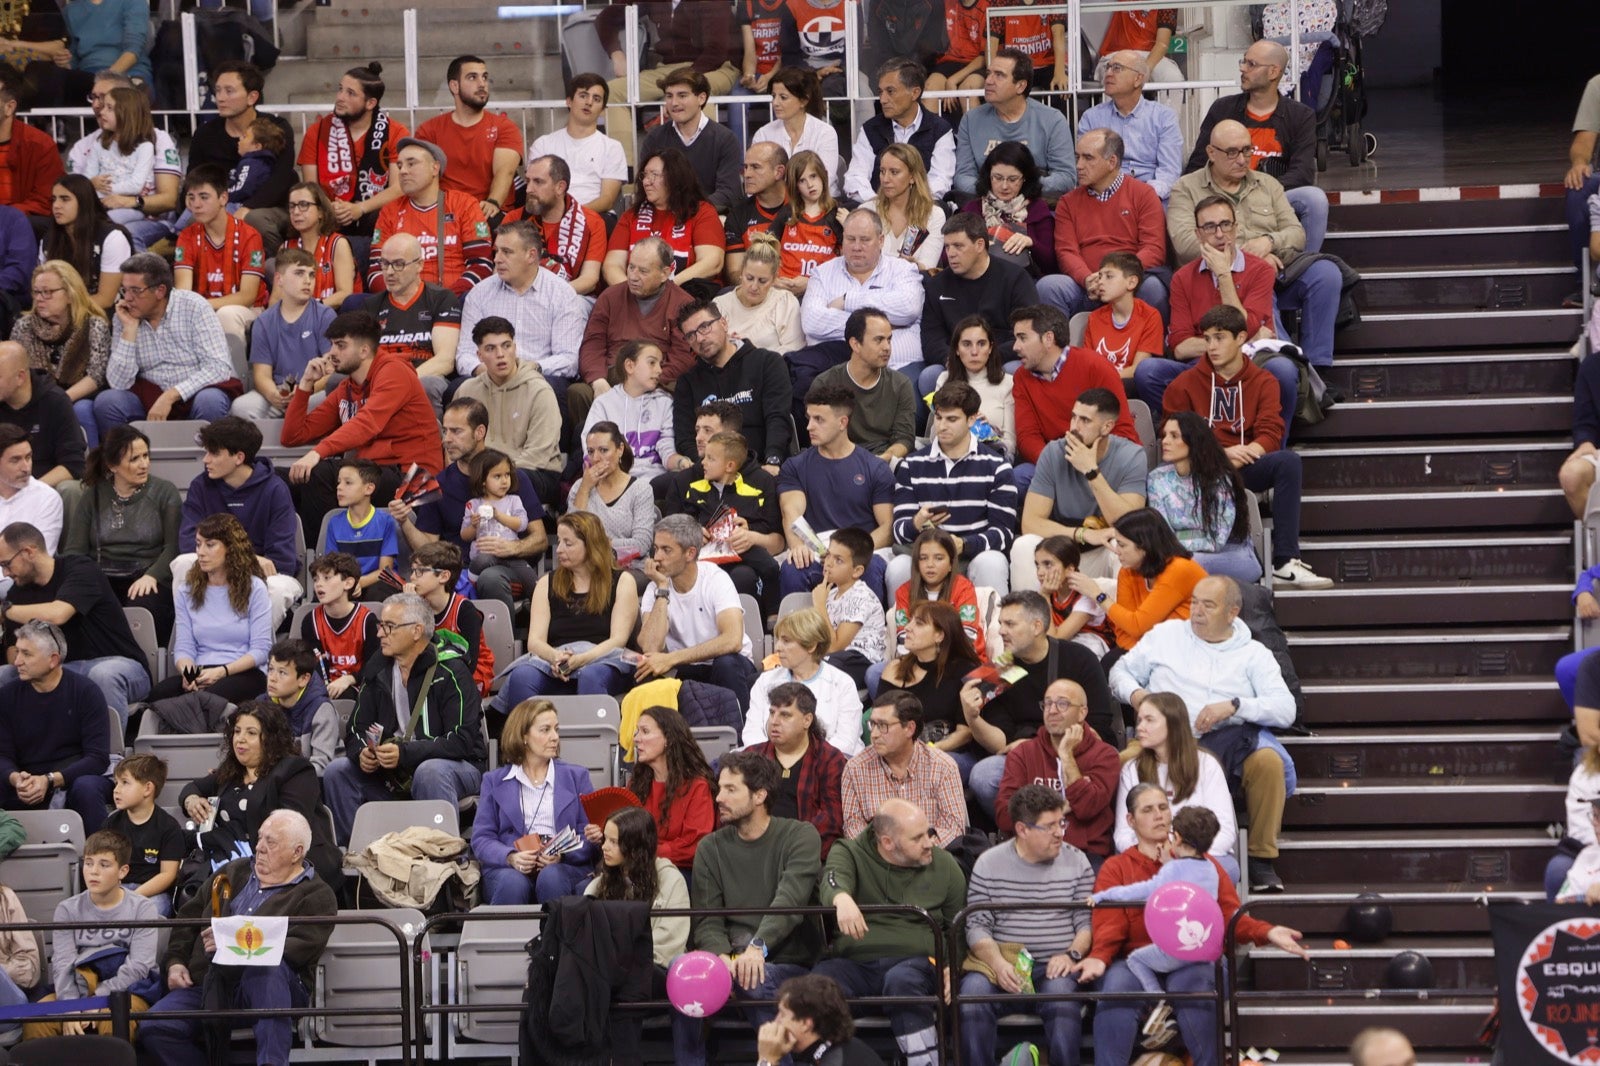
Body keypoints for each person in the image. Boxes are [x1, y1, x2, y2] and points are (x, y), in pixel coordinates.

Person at [1088, 783, 1309, 1066]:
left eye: (1163, 807)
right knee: (1117, 987)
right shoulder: (1116, 867)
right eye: (1148, 810)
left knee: (1195, 984)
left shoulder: (1204, 865)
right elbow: (1110, 927)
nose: (1159, 815)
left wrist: (1267, 931)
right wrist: (1099, 957)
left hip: (1194, 958)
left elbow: (1229, 917)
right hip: (1137, 957)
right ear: (1131, 821)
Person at [1109, 575, 1297, 890]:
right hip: (1161, 738)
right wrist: (1137, 696)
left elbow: (1285, 709)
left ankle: (1261, 858)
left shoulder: (1253, 653)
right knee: (1120, 761)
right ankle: (1122, 848)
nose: (1196, 611)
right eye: (1194, 601)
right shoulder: (1167, 635)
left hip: (1226, 740)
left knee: (1268, 762)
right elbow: (1120, 671)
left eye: (1208, 605)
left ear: (1232, 612)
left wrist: (1236, 706)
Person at [138, 810, 338, 1066]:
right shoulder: (232, 871)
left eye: (271, 842)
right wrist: (175, 961)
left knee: (268, 967)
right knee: (156, 1028)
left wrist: (233, 942)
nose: (259, 847)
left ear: (296, 853)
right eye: (259, 838)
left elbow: (298, 949)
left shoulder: (316, 894)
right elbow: (187, 919)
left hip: (273, 987)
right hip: (209, 981)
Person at [1163, 305, 1332, 589]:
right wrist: (1218, 455)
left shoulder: (1264, 381)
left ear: (1241, 338)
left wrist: (1243, 455)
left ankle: (1285, 562)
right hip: (1200, 471)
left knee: (1288, 462)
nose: (1212, 346)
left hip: (1244, 465)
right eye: (1207, 339)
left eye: (1220, 338)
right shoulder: (1184, 385)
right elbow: (1173, 437)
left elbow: (1271, 433)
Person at [677, 750, 823, 1065]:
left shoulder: (800, 836)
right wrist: (722, 959)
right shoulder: (710, 847)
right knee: (684, 973)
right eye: (720, 788)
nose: (718, 797)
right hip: (733, 959)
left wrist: (757, 947)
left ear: (759, 795)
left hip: (789, 961)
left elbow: (790, 901)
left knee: (751, 976)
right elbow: (707, 920)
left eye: (731, 789)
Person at [1169, 120, 1341, 371]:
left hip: (1276, 264)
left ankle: (1318, 369)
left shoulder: (1267, 184)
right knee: (1260, 279)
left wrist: (1268, 242)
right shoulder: (1186, 187)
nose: (1242, 159)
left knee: (1327, 274)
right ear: (1211, 153)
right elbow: (1185, 242)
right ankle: (1286, 369)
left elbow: (1296, 233)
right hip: (1226, 277)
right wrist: (1248, 257)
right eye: (1232, 152)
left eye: (1247, 151)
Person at [322, 591, 487, 844]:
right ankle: (355, 855)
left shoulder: (452, 671)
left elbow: (462, 741)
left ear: (416, 631)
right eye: (380, 626)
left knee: (430, 771)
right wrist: (361, 754)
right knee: (338, 770)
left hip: (456, 767)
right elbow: (356, 728)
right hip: (394, 773)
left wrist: (405, 752)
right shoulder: (378, 669)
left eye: (389, 627)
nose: (379, 634)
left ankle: (440, 857)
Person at [815, 796, 965, 1066]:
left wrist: (952, 966)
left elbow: (959, 927)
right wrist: (841, 899)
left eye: (928, 833)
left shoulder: (945, 865)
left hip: (918, 964)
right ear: (887, 843)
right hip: (856, 963)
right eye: (917, 838)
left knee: (902, 981)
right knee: (818, 988)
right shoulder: (849, 852)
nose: (929, 842)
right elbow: (833, 879)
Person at [961, 783, 1097, 1066]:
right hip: (1002, 963)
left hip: (1055, 966)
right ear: (1022, 829)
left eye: (1062, 822)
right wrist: (997, 964)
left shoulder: (1078, 861)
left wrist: (1071, 954)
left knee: (1062, 1002)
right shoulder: (988, 863)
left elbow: (1086, 923)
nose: (1060, 832)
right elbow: (977, 925)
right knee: (972, 996)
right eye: (1049, 826)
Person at [283, 309, 446, 537]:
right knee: (282, 481)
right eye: (331, 345)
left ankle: (321, 558)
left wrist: (317, 453)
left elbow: (368, 423)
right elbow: (292, 436)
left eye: (340, 345)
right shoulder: (347, 388)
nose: (331, 353)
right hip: (372, 472)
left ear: (364, 350)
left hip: (416, 479)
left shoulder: (394, 372)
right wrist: (306, 383)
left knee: (318, 473)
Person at [1137, 195, 1297, 423]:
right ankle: (1198, 437)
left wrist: (1223, 275)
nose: (1220, 234)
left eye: (1225, 225)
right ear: (1198, 234)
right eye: (1210, 227)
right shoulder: (1183, 277)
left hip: (1250, 365)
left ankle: (1269, 451)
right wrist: (1241, 343)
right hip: (1202, 368)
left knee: (1284, 370)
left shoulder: (1260, 269)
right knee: (1148, 372)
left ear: (1236, 228)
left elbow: (1247, 325)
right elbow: (1180, 347)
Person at [958, 590, 1115, 811]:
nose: (1001, 631)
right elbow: (1001, 744)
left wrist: (1036, 743)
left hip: (1076, 751)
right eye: (1001, 623)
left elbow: (1099, 727)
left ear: (1037, 627)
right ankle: (1027, 834)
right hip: (1025, 760)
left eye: (1010, 624)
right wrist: (972, 717)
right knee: (984, 775)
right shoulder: (1000, 669)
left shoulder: (1079, 658)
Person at [387, 397, 548, 609]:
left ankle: (498, 642)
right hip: (456, 571)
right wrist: (404, 521)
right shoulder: (439, 483)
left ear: (479, 432)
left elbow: (540, 538)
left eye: (456, 431)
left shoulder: (510, 477)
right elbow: (427, 547)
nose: (447, 439)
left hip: (506, 566)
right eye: (445, 431)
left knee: (489, 577)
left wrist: (511, 547)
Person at [455, 221, 587, 469]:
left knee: (556, 388)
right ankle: (468, 464)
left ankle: (551, 464)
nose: (497, 259)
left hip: (538, 375)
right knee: (458, 388)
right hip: (489, 375)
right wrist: (491, 371)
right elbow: (463, 355)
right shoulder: (480, 293)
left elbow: (569, 358)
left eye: (507, 252)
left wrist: (525, 370)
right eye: (496, 251)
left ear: (531, 255)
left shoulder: (561, 293)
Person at [0, 520, 150, 729]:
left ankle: (109, 757)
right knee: (5, 675)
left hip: (118, 664)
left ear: (28, 552)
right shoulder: (17, 593)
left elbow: (58, 614)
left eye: (6, 564)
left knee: (103, 675)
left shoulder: (80, 569)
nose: (5, 573)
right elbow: (13, 649)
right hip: (58, 670)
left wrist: (6, 611)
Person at [1186, 39, 1328, 253]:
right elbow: (1197, 164)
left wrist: (1260, 191)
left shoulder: (1300, 116)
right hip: (1222, 193)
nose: (1243, 68)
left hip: (1273, 195)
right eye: (1243, 62)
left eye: (1251, 64)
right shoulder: (1222, 109)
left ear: (1273, 72)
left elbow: (1302, 173)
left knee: (1315, 199)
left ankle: (1300, 267)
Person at [178, 701, 342, 885]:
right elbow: (193, 788)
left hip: (288, 867)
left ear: (271, 738)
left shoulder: (295, 770)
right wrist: (191, 800)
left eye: (251, 733)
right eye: (237, 731)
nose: (240, 739)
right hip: (236, 864)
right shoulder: (232, 770)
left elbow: (288, 827)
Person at [492, 512, 638, 718]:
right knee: (522, 676)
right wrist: (556, 657)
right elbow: (535, 641)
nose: (559, 549)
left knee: (591, 675)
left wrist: (582, 659)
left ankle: (590, 747)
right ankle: (522, 747)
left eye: (568, 543)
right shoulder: (546, 583)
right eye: (559, 541)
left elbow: (618, 640)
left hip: (605, 660)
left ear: (591, 545)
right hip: (559, 662)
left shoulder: (622, 581)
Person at [24, 828, 158, 1040]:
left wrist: (96, 1001)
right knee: (37, 1021)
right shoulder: (67, 909)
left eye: (104, 865)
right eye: (88, 863)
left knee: (113, 1021)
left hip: (126, 991)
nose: (93, 871)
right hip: (76, 990)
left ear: (122, 871)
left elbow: (139, 966)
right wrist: (71, 1006)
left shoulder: (142, 908)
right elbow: (62, 964)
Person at [174, 416, 304, 628]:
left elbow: (281, 561)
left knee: (278, 589)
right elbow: (189, 542)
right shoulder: (200, 486)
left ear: (239, 457)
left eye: (214, 453)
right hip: (214, 570)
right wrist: (247, 559)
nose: (205, 460)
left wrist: (246, 566)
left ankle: (252, 655)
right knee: (183, 563)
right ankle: (197, 642)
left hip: (261, 576)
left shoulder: (275, 489)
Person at [889, 380, 1016, 594]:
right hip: (924, 555)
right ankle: (904, 628)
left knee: (992, 562)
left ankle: (995, 628)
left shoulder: (997, 467)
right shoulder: (911, 465)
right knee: (898, 567)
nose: (942, 426)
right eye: (938, 418)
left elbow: (1003, 534)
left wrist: (964, 544)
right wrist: (916, 522)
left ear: (972, 419)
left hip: (973, 554)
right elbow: (899, 532)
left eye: (952, 419)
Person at [1015, 387, 1147, 587]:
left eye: (1085, 421)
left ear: (1107, 427)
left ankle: (1122, 616)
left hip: (1103, 553)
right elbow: (1030, 523)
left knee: (1122, 544)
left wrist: (1091, 471)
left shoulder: (1132, 456)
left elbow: (1129, 525)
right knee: (1023, 545)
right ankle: (1029, 614)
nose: (1074, 427)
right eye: (1073, 418)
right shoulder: (1053, 452)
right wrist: (1083, 534)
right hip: (1061, 552)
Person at [471, 698, 596, 904]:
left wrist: (562, 856)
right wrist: (510, 856)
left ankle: (557, 937)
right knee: (513, 882)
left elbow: (588, 835)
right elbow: (481, 838)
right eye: (545, 730)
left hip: (563, 866)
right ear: (524, 737)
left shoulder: (577, 777)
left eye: (556, 729)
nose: (555, 737)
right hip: (510, 868)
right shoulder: (493, 781)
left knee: (552, 876)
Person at [778, 384, 894, 598]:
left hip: (861, 552)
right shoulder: (795, 466)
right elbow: (791, 512)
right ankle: (795, 632)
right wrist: (796, 546)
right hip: (816, 552)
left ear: (843, 422)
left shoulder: (875, 468)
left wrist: (849, 555)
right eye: (809, 418)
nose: (809, 427)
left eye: (819, 419)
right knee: (792, 569)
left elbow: (887, 527)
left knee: (871, 568)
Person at [63, 424, 180, 637]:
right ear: (112, 465)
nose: (144, 464)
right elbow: (74, 551)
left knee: (144, 605)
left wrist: (152, 576)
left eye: (146, 456)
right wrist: (83, 581)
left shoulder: (165, 491)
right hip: (101, 575)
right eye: (135, 459)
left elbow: (173, 547)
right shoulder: (93, 495)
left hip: (147, 573)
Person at [1091, 804, 1223, 991]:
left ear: (1176, 838)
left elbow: (1143, 891)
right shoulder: (1211, 868)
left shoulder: (1173, 869)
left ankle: (1157, 996)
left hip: (1177, 948)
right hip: (1204, 947)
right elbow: (1187, 888)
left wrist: (1105, 894)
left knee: (1135, 959)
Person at [96, 252, 235, 429]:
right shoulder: (123, 316)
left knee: (210, 400)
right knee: (107, 402)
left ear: (160, 291)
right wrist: (129, 330)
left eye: (136, 291)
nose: (128, 298)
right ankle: (132, 456)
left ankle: (207, 456)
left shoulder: (194, 306)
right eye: (125, 290)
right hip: (149, 397)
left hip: (195, 393)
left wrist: (171, 395)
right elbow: (118, 383)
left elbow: (218, 367)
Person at [1039, 130, 1168, 320]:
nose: (1078, 165)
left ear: (1112, 162)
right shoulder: (1068, 202)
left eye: (1088, 158)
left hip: (1129, 285)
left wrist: (1118, 278)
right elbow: (1066, 251)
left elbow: (1154, 249)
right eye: (1078, 157)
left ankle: (1151, 349)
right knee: (1049, 286)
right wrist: (1088, 279)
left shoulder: (1144, 194)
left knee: (1153, 287)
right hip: (1086, 285)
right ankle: (1062, 350)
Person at [637, 514, 760, 708]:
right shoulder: (655, 587)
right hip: (685, 667)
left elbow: (733, 640)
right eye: (656, 549)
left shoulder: (715, 579)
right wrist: (662, 589)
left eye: (666, 550)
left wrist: (672, 658)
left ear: (690, 553)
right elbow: (650, 647)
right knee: (646, 671)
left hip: (730, 665)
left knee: (726, 664)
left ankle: (741, 736)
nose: (657, 557)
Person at [0, 619, 112, 831]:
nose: (17, 662)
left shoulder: (86, 692)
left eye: (27, 654)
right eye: (17, 652)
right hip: (26, 779)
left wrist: (50, 780)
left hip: (72, 776)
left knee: (87, 788)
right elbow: (2, 754)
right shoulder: (7, 696)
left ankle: (99, 856)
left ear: (53, 660)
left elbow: (97, 758)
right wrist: (16, 779)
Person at [794, 209, 924, 390]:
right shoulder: (822, 274)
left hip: (899, 367)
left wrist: (848, 301)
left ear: (880, 241)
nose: (856, 246)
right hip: (838, 370)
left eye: (864, 240)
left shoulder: (902, 270)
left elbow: (908, 308)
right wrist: (880, 326)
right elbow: (812, 322)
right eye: (850, 239)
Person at [1116, 691, 1240, 880]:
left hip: (1201, 855)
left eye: (1149, 720)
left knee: (1221, 870)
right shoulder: (1132, 769)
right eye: (1139, 720)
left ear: (1173, 723)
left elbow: (1225, 831)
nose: (1140, 727)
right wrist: (1153, 854)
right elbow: (1123, 834)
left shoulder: (1207, 764)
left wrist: (1185, 855)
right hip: (1148, 856)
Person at [150, 514, 272, 705]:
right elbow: (184, 647)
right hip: (201, 671)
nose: (201, 552)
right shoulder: (186, 591)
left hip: (243, 672)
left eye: (210, 545)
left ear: (230, 548)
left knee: (208, 698)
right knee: (158, 694)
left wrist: (221, 671)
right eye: (198, 544)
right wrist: (189, 674)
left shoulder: (254, 587)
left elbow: (261, 650)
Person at [993, 677, 1120, 860]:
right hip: (1032, 854)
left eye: (1062, 704)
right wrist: (1058, 808)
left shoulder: (1105, 755)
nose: (1052, 710)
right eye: (1047, 704)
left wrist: (1067, 755)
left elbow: (1087, 807)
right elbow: (1004, 816)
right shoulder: (1023, 754)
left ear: (1082, 712)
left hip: (1084, 855)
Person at [1010, 304, 1137, 485]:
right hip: (1056, 462)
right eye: (1015, 339)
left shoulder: (1095, 366)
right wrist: (1057, 465)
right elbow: (1027, 436)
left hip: (1100, 461)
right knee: (1019, 476)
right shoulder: (1022, 377)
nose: (1015, 347)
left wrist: (1088, 462)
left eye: (1022, 338)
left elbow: (1122, 430)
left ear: (1048, 339)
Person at [184, 61, 297, 253]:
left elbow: (282, 178)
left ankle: (280, 263)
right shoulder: (205, 134)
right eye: (218, 91)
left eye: (229, 91)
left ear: (252, 97)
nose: (220, 98)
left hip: (271, 206)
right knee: (198, 217)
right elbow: (194, 179)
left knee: (254, 219)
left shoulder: (276, 127)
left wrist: (248, 207)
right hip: (219, 205)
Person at [920, 214, 1038, 396]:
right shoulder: (937, 285)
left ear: (980, 245)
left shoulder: (1015, 278)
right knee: (930, 376)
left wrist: (987, 357)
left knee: (1015, 370)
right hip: (957, 361)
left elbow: (1027, 333)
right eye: (947, 247)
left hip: (1000, 359)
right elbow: (931, 338)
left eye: (958, 246)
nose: (950, 254)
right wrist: (954, 359)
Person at [576, 238, 696, 411]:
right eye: (631, 267)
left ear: (665, 273)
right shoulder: (609, 297)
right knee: (577, 393)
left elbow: (682, 358)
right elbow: (592, 344)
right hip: (611, 378)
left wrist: (646, 382)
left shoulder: (683, 304)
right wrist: (598, 380)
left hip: (657, 383)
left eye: (643, 271)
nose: (633, 276)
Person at [296, 62, 408, 245]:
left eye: (350, 93)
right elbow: (310, 186)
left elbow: (398, 188)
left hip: (373, 212)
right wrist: (332, 209)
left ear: (371, 103)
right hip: (329, 212)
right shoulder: (317, 132)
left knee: (384, 215)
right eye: (340, 89)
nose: (340, 97)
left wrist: (360, 208)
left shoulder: (395, 132)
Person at [674, 298, 792, 471]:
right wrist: (705, 468)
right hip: (711, 472)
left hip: (761, 466)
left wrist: (773, 460)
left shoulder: (767, 362)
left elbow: (778, 418)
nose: (700, 338)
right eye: (691, 335)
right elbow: (685, 438)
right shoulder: (688, 382)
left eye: (705, 327)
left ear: (723, 323)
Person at [675, 430, 784, 615]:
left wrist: (748, 531)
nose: (703, 462)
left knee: (771, 566)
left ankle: (772, 613)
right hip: (705, 554)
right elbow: (684, 520)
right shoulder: (694, 489)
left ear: (729, 465)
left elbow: (765, 527)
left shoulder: (752, 491)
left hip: (739, 550)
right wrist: (695, 531)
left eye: (710, 458)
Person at [367, 137, 492, 297]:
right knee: (354, 302)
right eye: (399, 165)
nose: (403, 171)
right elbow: (376, 270)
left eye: (411, 164)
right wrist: (409, 299)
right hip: (402, 301)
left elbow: (481, 265)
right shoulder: (389, 211)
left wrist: (448, 298)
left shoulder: (464, 204)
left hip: (456, 299)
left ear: (435, 168)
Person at [71, 73, 180, 253]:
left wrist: (126, 201)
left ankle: (143, 279)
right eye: (94, 97)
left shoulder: (157, 140)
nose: (97, 106)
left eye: (106, 101)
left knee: (119, 231)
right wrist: (90, 186)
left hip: (150, 219)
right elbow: (76, 192)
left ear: (127, 103)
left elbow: (169, 199)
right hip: (99, 210)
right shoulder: (85, 146)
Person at [742, 679, 850, 857]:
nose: (774, 722)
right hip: (755, 851)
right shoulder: (752, 756)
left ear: (807, 720)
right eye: (772, 713)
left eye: (785, 715)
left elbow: (832, 819)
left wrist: (791, 846)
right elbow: (735, 806)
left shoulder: (829, 759)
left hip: (805, 854)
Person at [1149, 411, 1262, 582]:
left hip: (1233, 555)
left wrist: (1176, 544)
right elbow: (1163, 534)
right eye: (1165, 435)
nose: (1165, 441)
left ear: (1193, 440)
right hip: (1182, 558)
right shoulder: (1157, 478)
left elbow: (1217, 540)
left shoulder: (1219, 478)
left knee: (1182, 566)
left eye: (1174, 436)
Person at [841, 692, 965, 847]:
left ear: (909, 728)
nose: (874, 734)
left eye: (883, 726)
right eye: (872, 724)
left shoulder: (943, 766)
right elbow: (853, 828)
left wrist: (913, 849)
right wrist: (887, 854)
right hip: (877, 863)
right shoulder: (855, 769)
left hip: (929, 859)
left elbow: (954, 829)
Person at [952, 47, 1075, 201]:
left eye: (999, 75)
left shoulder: (1053, 120)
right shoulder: (971, 120)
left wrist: (1021, 187)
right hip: (986, 205)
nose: (989, 81)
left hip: (1036, 204)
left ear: (1020, 86)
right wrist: (995, 189)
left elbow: (1066, 177)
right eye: (989, 73)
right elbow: (963, 176)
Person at [878, 601, 983, 780]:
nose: (908, 628)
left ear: (939, 635)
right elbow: (881, 722)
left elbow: (965, 733)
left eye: (918, 623)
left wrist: (926, 752)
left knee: (928, 766)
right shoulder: (895, 668)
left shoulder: (965, 671)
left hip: (950, 752)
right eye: (910, 621)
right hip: (900, 750)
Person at [414, 55, 524, 224]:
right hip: (446, 212)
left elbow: (505, 172)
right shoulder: (429, 130)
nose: (482, 84)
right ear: (454, 86)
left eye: (485, 77)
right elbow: (423, 177)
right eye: (472, 77)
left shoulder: (504, 127)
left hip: (490, 212)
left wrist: (493, 202)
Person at [12, 259, 110, 445]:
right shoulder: (23, 326)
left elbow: (96, 375)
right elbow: (16, 372)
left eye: (48, 292)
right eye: (37, 292)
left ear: (70, 294)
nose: (39, 298)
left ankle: (88, 470)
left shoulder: (94, 325)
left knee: (81, 410)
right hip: (35, 397)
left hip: (78, 396)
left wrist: (61, 400)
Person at [609, 705, 717, 873]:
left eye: (645, 731)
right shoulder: (637, 783)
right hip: (637, 868)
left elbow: (695, 845)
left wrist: (644, 852)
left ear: (668, 739)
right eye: (637, 732)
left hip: (678, 872)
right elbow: (627, 832)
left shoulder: (697, 786)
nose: (637, 739)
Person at [233, 247, 337, 419]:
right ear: (279, 279)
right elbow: (262, 374)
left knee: (328, 400)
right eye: (299, 273)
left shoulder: (325, 315)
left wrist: (305, 389)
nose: (307, 280)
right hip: (282, 392)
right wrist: (272, 394)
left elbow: (331, 371)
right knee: (242, 407)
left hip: (313, 392)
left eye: (311, 275)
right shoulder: (264, 322)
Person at [584, 805, 690, 968]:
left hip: (653, 966)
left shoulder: (671, 880)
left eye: (614, 842)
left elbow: (669, 940)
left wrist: (624, 957)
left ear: (635, 847)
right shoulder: (599, 884)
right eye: (605, 839)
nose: (604, 847)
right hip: (610, 968)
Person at [604, 148, 724, 288]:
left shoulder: (702, 212)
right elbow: (611, 265)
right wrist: (634, 292)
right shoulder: (631, 216)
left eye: (654, 175)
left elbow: (712, 262)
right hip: (636, 299)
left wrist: (665, 290)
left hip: (687, 295)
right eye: (645, 175)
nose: (646, 182)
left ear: (675, 178)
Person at [742, 611, 860, 754]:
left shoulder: (842, 683)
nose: (778, 647)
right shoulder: (765, 681)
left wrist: (801, 760)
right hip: (769, 764)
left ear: (811, 646)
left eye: (786, 641)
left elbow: (845, 741)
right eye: (778, 639)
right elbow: (751, 733)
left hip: (826, 765)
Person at [845, 58, 955, 206]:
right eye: (880, 92)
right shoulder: (871, 129)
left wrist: (908, 205)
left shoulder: (940, 129)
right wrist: (878, 204)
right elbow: (855, 177)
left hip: (921, 209)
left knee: (940, 208)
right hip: (876, 210)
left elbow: (941, 181)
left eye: (890, 91)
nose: (883, 99)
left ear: (915, 93)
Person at [1076, 50, 1182, 202]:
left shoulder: (1164, 117)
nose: (1109, 74)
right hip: (1104, 195)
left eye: (1117, 68)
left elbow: (1169, 172)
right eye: (1108, 68)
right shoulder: (1092, 117)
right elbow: (1086, 165)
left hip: (1151, 196)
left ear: (1138, 79)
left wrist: (1143, 196)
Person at [1097, 508, 1207, 654]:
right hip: (1152, 651)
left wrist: (1099, 595)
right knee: (1113, 660)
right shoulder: (1127, 571)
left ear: (1144, 547)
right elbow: (1124, 630)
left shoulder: (1179, 570)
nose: (1117, 551)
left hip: (1191, 651)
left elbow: (1136, 626)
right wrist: (1138, 657)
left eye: (1122, 545)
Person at [813, 308, 916, 461]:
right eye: (879, 340)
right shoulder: (825, 383)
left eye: (889, 339)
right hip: (839, 459)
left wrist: (883, 459)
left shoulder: (901, 384)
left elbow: (904, 438)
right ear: (855, 344)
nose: (887, 347)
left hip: (886, 461)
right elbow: (820, 437)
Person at [637, 69, 743, 215]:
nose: (674, 103)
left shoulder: (725, 139)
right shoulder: (655, 137)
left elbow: (728, 193)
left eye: (682, 95)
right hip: (664, 216)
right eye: (669, 96)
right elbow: (645, 186)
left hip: (708, 216)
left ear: (701, 98)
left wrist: (690, 211)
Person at [402, 542, 493, 698]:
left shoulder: (465, 611)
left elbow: (469, 664)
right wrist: (412, 610)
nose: (411, 577)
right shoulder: (417, 608)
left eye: (420, 571)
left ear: (444, 576)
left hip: (469, 676)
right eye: (412, 571)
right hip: (430, 675)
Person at [527, 73, 625, 214]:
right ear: (569, 101)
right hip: (549, 215)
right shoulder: (543, 144)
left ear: (603, 110)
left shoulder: (612, 148)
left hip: (594, 217)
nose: (589, 102)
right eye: (583, 96)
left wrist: (572, 215)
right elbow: (535, 190)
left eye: (596, 99)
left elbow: (607, 199)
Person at [583, 340, 679, 482]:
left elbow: (667, 449)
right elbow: (591, 452)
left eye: (660, 364)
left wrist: (681, 463)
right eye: (652, 363)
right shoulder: (603, 404)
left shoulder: (665, 402)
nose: (659, 370)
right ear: (630, 366)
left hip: (655, 480)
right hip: (614, 479)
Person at [568, 421, 658, 572]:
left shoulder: (640, 489)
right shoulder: (579, 487)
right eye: (590, 451)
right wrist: (584, 488)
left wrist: (597, 543)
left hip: (628, 569)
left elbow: (641, 544)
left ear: (620, 449)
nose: (596, 458)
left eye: (603, 450)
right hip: (586, 568)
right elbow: (570, 536)